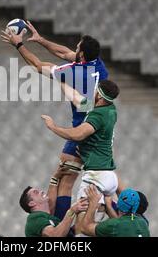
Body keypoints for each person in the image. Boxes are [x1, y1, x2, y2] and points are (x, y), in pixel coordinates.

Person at [1, 22, 109, 220]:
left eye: (78, 48)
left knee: (65, 182)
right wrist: (40, 40)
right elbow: (65, 53)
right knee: (61, 179)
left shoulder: (73, 73)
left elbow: (37, 65)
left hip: (83, 133)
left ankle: (62, 228)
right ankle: (61, 223)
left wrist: (18, 44)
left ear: (82, 55)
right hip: (92, 128)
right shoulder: (98, 66)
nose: (74, 49)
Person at [40, 79, 120, 235]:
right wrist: (59, 78)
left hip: (95, 177)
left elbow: (77, 134)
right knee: (98, 220)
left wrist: (52, 126)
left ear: (100, 96)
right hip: (109, 177)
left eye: (96, 90)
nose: (94, 92)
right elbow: (77, 99)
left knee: (83, 228)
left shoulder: (97, 115)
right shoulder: (110, 109)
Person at [20, 166, 88, 237]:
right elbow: (56, 235)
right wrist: (72, 211)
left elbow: (51, 204)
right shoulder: (34, 219)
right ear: (31, 203)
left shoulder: (49, 218)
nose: (41, 191)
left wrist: (54, 179)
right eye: (36, 192)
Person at [81, 185, 150, 237]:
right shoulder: (144, 223)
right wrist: (109, 207)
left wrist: (93, 203)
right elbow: (123, 224)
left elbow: (85, 228)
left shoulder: (114, 225)